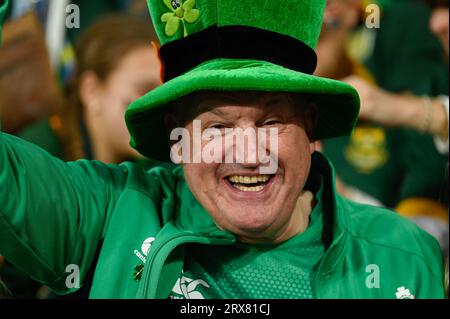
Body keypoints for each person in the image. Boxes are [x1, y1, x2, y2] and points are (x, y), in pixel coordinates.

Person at [0, 0, 445, 299]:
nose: (249, 152)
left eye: (271, 122)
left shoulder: (403, 257)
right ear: (178, 136)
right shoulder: (106, 215)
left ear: (310, 128)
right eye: (216, 127)